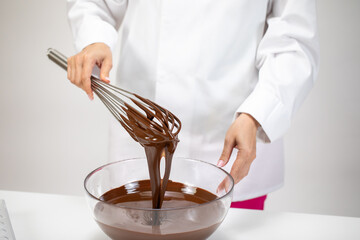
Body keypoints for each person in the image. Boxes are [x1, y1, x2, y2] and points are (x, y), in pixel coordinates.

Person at [66, 0, 319, 210]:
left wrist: (258, 113)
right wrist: (94, 38)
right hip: (141, 132)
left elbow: (294, 39)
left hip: (230, 137)